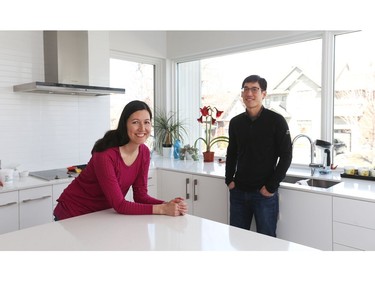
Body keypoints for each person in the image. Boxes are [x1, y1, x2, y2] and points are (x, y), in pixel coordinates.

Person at [53, 100, 187, 220]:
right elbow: (119, 204)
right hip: (72, 213)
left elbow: (141, 196)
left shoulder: (144, 152)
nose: (142, 128)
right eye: (135, 122)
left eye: (146, 122)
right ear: (125, 125)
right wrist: (163, 209)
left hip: (101, 215)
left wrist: (168, 205)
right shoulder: (106, 156)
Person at [225, 75, 292, 237]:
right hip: (239, 192)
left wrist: (271, 187)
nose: (249, 93)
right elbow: (232, 152)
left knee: (267, 241)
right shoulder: (236, 122)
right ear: (242, 94)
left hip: (263, 194)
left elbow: (286, 155)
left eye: (254, 89)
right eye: (246, 89)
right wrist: (229, 179)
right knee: (237, 239)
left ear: (263, 94)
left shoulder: (277, 121)